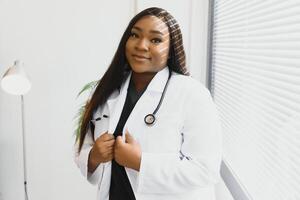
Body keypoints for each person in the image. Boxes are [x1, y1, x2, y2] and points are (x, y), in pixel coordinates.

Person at [74, 7, 222, 200]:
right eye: (135, 35)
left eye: (155, 40)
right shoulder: (105, 90)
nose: (141, 46)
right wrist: (94, 156)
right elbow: (82, 149)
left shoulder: (193, 94)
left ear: (171, 50)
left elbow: (205, 170)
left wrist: (141, 162)